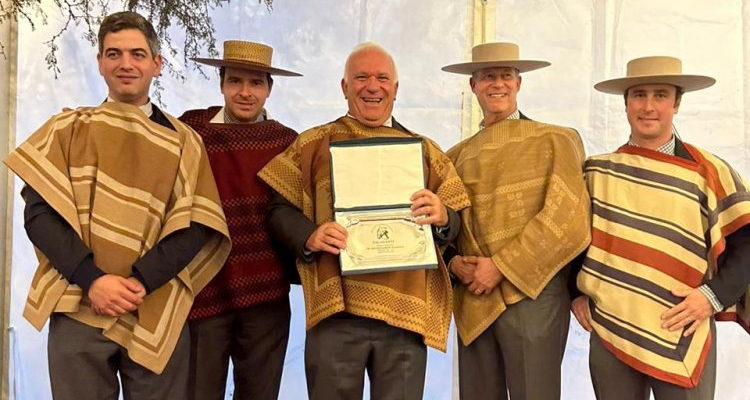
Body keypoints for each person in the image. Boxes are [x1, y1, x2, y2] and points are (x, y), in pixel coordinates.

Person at [3, 11, 230, 400]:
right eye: (114, 54)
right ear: (100, 63)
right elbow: (39, 215)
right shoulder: (69, 129)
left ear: (156, 64)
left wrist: (139, 282)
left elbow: (196, 226)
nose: (126, 64)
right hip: (78, 302)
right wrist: (93, 280)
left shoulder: (185, 142)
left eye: (138, 54)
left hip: (154, 304)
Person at [258, 42, 471, 400]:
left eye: (382, 77)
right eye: (361, 77)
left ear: (396, 88)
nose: (372, 86)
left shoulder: (427, 151)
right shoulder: (312, 144)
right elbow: (278, 210)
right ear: (344, 87)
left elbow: (456, 221)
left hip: (404, 316)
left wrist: (443, 216)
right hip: (337, 315)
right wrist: (309, 236)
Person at [571, 56, 750, 400]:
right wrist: (574, 291)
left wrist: (711, 298)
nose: (648, 106)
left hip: (684, 327)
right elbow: (575, 238)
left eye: (660, 95)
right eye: (639, 95)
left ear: (677, 102)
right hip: (611, 327)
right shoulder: (598, 171)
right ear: (625, 103)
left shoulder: (709, 171)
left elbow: (745, 245)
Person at [441, 42, 591, 400]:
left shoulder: (556, 139)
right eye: (488, 76)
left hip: (534, 295)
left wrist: (502, 267)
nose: (498, 84)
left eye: (506, 75)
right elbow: (444, 225)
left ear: (519, 83)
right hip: (474, 296)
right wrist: (453, 263)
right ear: (473, 85)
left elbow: (567, 217)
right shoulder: (453, 157)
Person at [179, 40, 301, 400]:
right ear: (221, 83)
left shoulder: (287, 143)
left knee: (260, 394)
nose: (245, 92)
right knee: (198, 393)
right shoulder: (190, 131)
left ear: (269, 88)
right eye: (235, 82)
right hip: (203, 288)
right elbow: (141, 142)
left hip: (266, 293)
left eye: (256, 83)